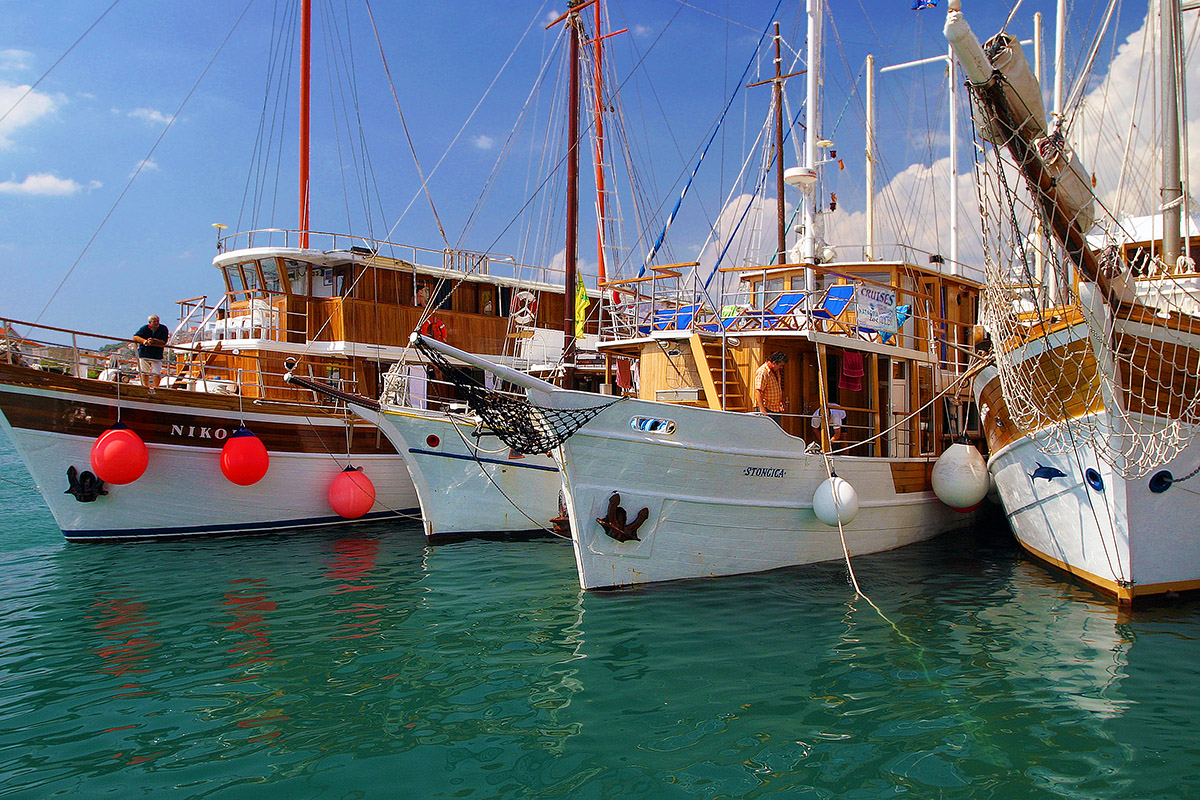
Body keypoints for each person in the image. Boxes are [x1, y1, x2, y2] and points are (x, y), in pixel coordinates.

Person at [132, 314, 170, 392]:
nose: (156, 323)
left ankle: (156, 388)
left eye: (157, 321)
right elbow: (135, 337)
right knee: (144, 372)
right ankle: (145, 387)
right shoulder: (145, 328)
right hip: (144, 353)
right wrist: (144, 341)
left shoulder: (163, 329)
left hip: (156, 355)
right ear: (150, 322)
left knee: (157, 373)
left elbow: (164, 342)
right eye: (154, 321)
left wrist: (154, 340)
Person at [753, 352, 787, 425]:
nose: (781, 368)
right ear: (774, 363)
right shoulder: (763, 372)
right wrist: (762, 410)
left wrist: (780, 402)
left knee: (776, 433)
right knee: (766, 433)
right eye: (780, 365)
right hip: (767, 409)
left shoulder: (775, 371)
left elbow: (776, 389)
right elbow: (758, 392)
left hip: (775, 409)